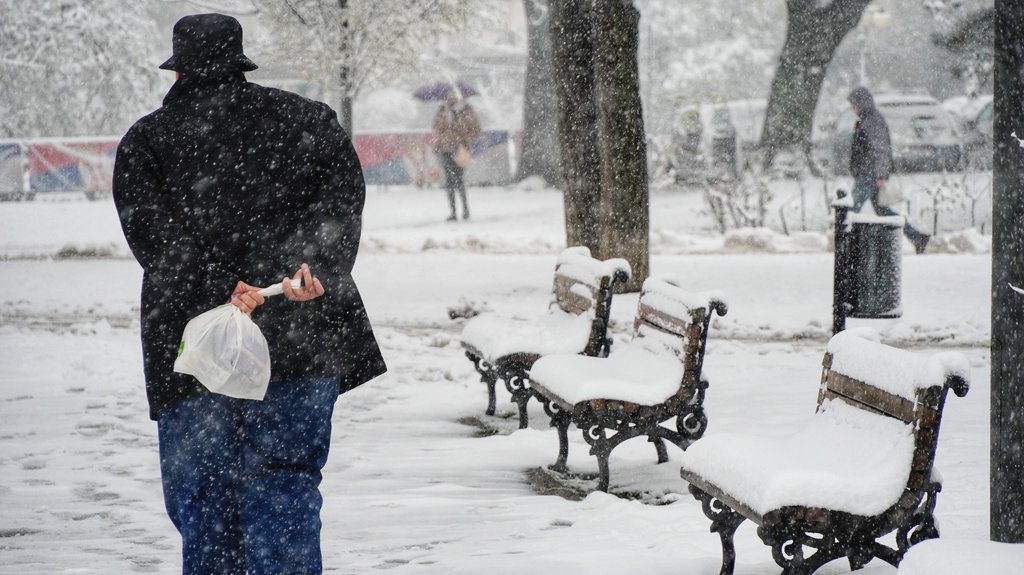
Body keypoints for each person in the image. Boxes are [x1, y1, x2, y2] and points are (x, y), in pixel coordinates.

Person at [112, 13, 386, 575]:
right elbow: (340, 205)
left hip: (197, 346)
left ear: (179, 67)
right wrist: (304, 271)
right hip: (299, 337)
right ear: (240, 59)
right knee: (285, 488)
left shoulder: (148, 142)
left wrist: (222, 287)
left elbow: (155, 238)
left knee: (205, 500)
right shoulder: (308, 122)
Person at [848, 86, 930, 254]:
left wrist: (880, 174)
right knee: (882, 210)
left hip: (869, 174)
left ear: (861, 104)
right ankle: (916, 236)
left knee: (850, 208)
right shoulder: (867, 120)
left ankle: (844, 241)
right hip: (868, 172)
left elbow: (881, 150)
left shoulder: (872, 121)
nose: (852, 108)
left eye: (854, 104)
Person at [432, 88, 481, 221]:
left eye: (454, 95)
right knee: (449, 181)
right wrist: (444, 121)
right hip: (445, 148)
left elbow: (475, 130)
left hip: (460, 149)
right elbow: (436, 127)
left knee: (459, 180)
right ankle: (453, 211)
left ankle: (465, 209)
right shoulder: (443, 110)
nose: (451, 98)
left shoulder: (466, 111)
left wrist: (462, 136)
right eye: (449, 95)